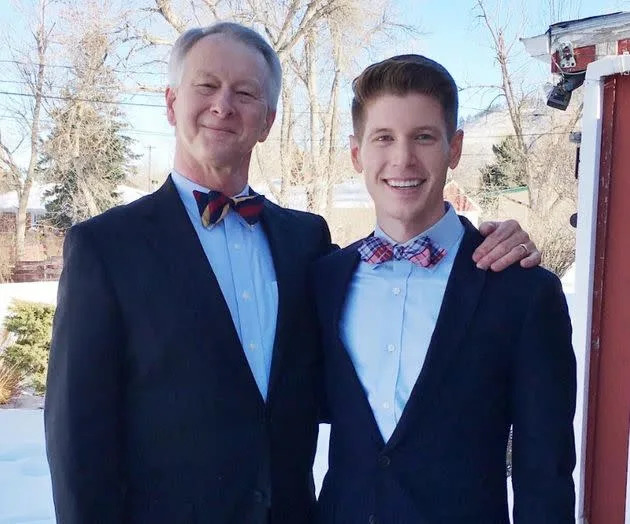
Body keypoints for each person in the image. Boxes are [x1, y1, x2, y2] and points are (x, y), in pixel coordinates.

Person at [44, 23, 540, 524]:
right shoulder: (105, 248)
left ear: (268, 120)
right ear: (172, 103)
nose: (223, 105)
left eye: (245, 93)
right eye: (206, 86)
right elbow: (78, 443)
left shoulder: (307, 245)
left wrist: (495, 241)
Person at [312, 55, 576, 523]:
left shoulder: (523, 292)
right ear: (357, 153)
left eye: (424, 137)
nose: (402, 159)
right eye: (383, 138)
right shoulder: (324, 280)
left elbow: (545, 472)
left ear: (454, 149)